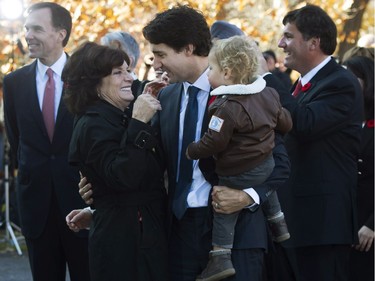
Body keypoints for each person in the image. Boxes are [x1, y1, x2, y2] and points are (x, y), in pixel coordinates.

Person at [73, 5, 287, 281]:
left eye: (161, 55)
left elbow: (280, 161)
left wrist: (248, 196)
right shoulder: (166, 98)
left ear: (188, 49)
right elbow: (149, 166)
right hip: (177, 235)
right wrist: (101, 196)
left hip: (238, 235)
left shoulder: (244, 90)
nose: (156, 64)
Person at [186, 35, 292, 281]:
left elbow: (216, 141)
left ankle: (220, 257)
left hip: (237, 173)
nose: (207, 73)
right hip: (264, 165)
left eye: (211, 68)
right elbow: (285, 123)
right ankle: (279, 223)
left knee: (224, 210)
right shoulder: (269, 95)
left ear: (227, 73)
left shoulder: (225, 107)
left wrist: (193, 149)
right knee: (267, 183)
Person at [63, 41, 168, 281]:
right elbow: (124, 176)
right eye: (118, 73)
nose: (130, 78)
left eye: (128, 70)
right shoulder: (92, 123)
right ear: (94, 83)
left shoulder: (118, 117)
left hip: (142, 238)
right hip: (124, 249)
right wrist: (139, 122)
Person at [274, 5, 363, 281]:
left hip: (322, 226)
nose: (280, 44)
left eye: (289, 36)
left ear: (314, 43)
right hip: (295, 222)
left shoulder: (341, 83)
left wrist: (268, 79)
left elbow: (306, 124)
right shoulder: (298, 85)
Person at [2, 2, 90, 281]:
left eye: (37, 29)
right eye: (27, 28)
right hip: (35, 206)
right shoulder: (14, 83)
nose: (28, 35)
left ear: (60, 34)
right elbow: (18, 142)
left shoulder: (87, 78)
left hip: (81, 202)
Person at [210, 20, 292, 246]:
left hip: (248, 230)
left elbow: (281, 162)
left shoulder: (262, 98)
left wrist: (248, 196)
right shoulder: (184, 94)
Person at [343, 56, 374, 281]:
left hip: (368, 228)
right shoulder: (343, 120)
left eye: (352, 77)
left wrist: (372, 225)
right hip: (342, 225)